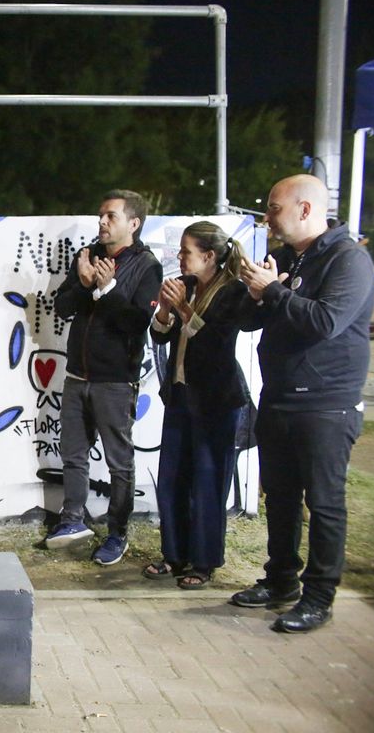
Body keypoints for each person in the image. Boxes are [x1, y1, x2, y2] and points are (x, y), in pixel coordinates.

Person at [231, 174, 374, 633]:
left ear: (306, 210)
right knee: (281, 498)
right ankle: (280, 582)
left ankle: (318, 597)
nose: (267, 217)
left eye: (274, 208)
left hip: (327, 405)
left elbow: (326, 321)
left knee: (325, 504)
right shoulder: (291, 258)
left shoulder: (347, 259)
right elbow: (255, 319)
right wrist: (255, 294)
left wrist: (274, 292)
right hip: (280, 397)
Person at [47, 189, 163, 565]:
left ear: (133, 223)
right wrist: (83, 284)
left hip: (115, 380)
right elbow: (62, 307)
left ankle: (117, 533)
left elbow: (136, 323)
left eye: (110, 216)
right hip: (77, 376)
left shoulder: (147, 265)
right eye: (100, 215)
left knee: (119, 462)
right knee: (73, 455)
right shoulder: (87, 256)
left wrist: (106, 289)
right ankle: (72, 520)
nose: (101, 222)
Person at [143, 222, 249, 588]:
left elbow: (217, 342)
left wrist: (185, 310)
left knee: (207, 481)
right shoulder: (184, 285)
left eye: (186, 252)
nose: (180, 258)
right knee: (172, 479)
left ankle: (203, 562)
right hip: (180, 395)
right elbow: (160, 335)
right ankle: (174, 554)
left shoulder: (232, 292)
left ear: (209, 256)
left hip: (217, 401)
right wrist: (164, 311)